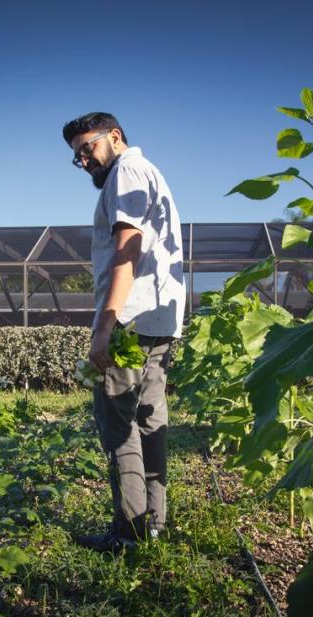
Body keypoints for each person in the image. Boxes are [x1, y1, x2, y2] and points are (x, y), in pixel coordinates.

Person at [61, 112, 185, 552]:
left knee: (117, 423)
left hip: (130, 321)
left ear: (114, 137)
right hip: (158, 322)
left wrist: (104, 324)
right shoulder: (152, 173)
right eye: (76, 156)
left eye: (87, 148)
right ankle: (154, 523)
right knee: (151, 419)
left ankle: (129, 534)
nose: (84, 161)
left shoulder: (127, 171)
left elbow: (127, 246)